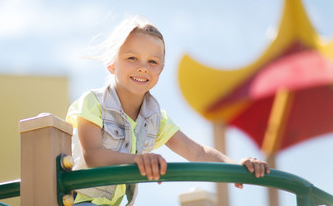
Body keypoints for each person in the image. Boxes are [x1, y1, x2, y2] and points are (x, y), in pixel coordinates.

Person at [66, 15, 270, 206]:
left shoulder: (156, 119)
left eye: (152, 62)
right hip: (80, 201)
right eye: (132, 58)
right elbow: (93, 155)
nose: (143, 67)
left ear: (161, 69)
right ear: (111, 64)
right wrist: (139, 159)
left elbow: (197, 152)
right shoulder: (93, 103)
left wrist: (235, 166)